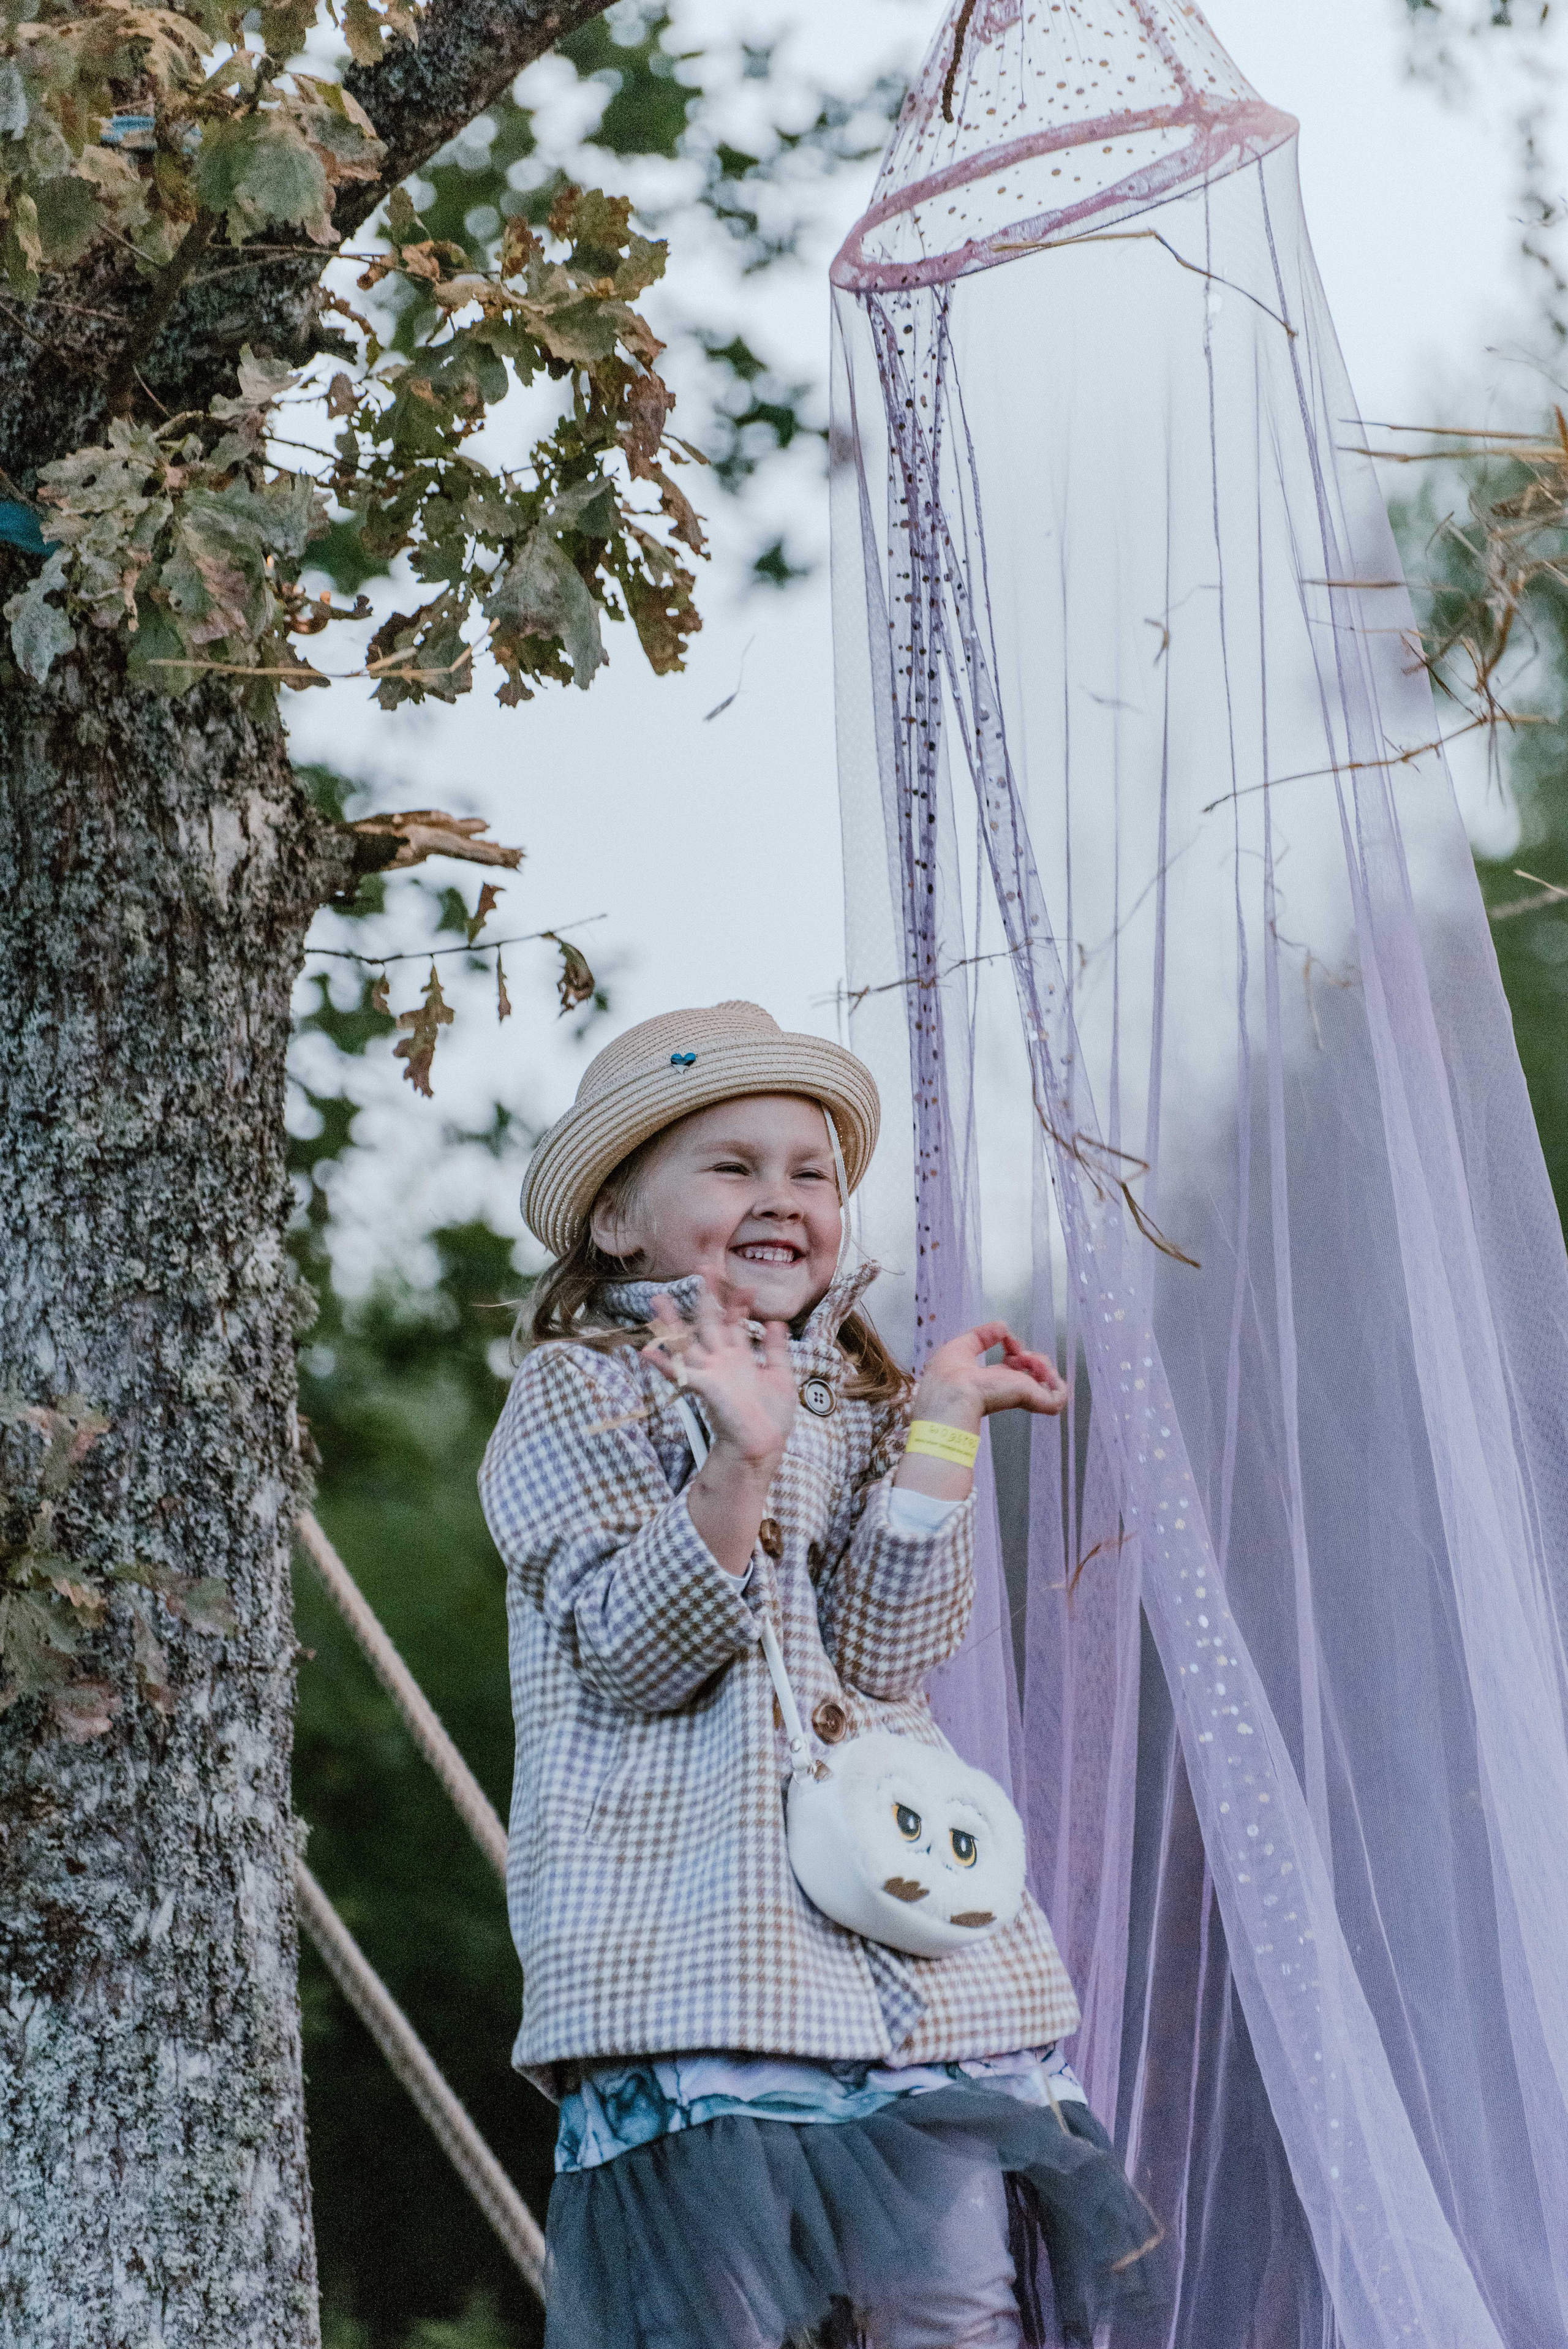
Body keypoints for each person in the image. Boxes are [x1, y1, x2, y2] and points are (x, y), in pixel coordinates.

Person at [480, 1000, 1158, 2348]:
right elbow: (629, 1652)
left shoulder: (851, 1398)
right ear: (618, 1220)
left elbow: (887, 1653)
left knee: (952, 2310)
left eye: (811, 1172)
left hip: (904, 1983)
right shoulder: (580, 1392)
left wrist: (938, 1438)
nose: (780, 1198)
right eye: (729, 1167)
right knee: (724, 2320)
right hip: (711, 1968)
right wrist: (736, 1459)